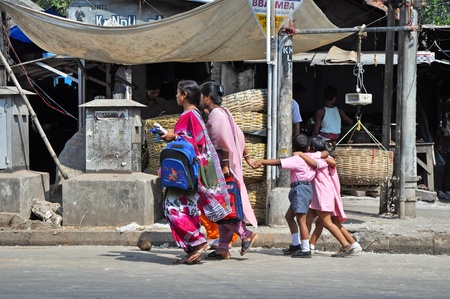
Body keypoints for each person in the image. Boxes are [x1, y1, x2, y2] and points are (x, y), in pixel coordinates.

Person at [160, 80, 231, 264]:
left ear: (184, 94)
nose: (176, 96)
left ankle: (196, 242)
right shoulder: (194, 114)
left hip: (185, 172)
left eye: (177, 92)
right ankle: (193, 251)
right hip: (188, 172)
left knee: (172, 208)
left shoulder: (189, 115)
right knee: (188, 208)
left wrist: (172, 136)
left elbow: (191, 143)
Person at [199, 81, 260, 259]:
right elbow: (239, 136)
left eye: (202, 96)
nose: (200, 99)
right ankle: (223, 248)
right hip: (230, 167)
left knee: (222, 209)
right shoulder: (225, 113)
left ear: (207, 97)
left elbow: (221, 141)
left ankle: (245, 234)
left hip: (222, 169)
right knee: (224, 207)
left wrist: (225, 165)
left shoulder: (216, 116)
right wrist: (247, 157)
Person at [256, 134, 324, 258]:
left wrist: (261, 161)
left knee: (301, 220)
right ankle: (296, 244)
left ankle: (305, 249)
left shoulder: (297, 159)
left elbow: (278, 162)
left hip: (300, 189)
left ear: (293, 147)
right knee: (289, 216)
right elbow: (324, 153)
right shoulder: (311, 156)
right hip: (304, 189)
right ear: (309, 148)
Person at [305, 137, 360, 257]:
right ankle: (308, 245)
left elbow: (317, 161)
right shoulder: (324, 158)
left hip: (322, 195)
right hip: (321, 195)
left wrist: (300, 154)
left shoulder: (324, 160)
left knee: (327, 222)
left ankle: (346, 246)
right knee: (312, 221)